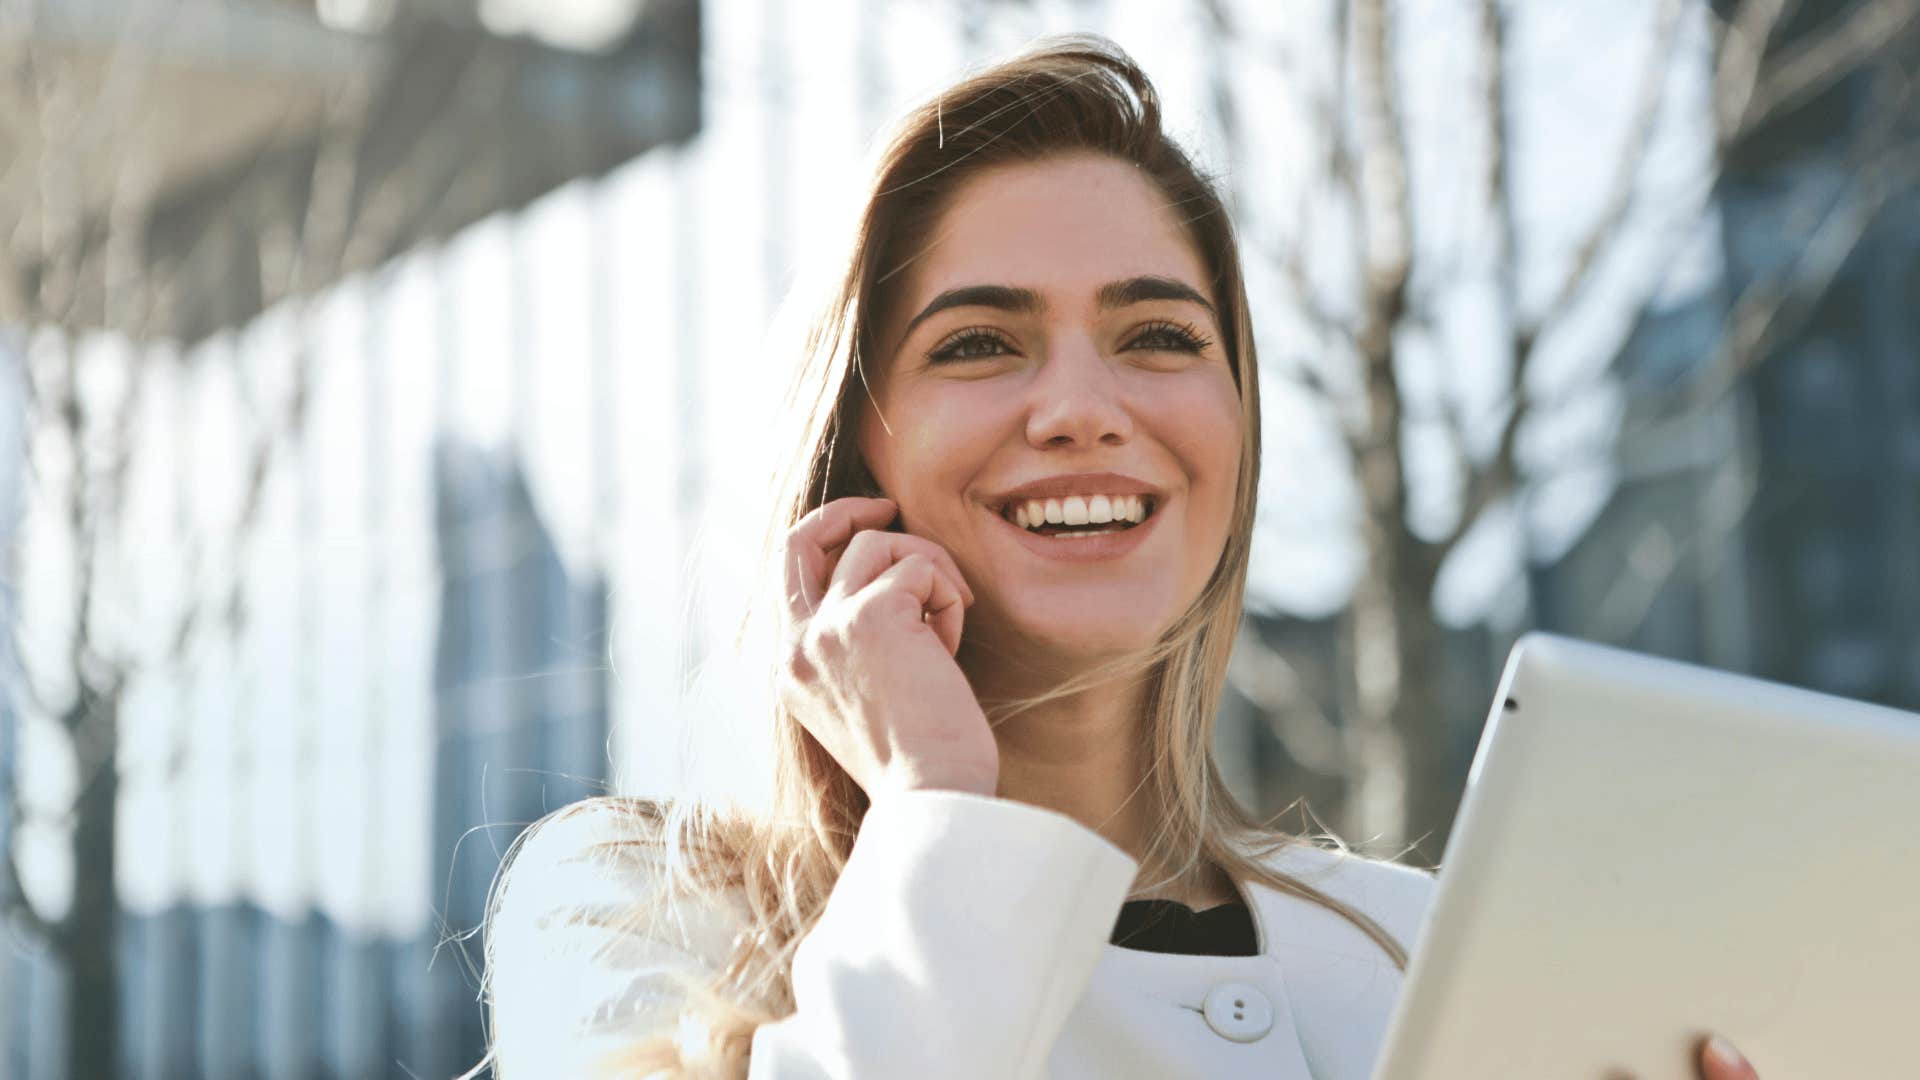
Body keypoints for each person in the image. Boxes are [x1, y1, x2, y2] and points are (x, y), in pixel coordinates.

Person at [478, 34, 1762, 1080]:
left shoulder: (1416, 948)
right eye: (980, 343)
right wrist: (937, 807)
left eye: (1159, 335)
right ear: (853, 451)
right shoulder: (636, 914)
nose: (1086, 407)